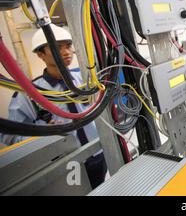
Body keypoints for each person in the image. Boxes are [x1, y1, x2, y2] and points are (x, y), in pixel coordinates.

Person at [0, 24, 107, 189]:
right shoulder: (30, 94)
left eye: (68, 46)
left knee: (101, 188)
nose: (66, 52)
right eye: (57, 48)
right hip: (67, 163)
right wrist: (42, 136)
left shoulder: (85, 80)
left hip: (98, 154)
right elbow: (9, 137)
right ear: (41, 54)